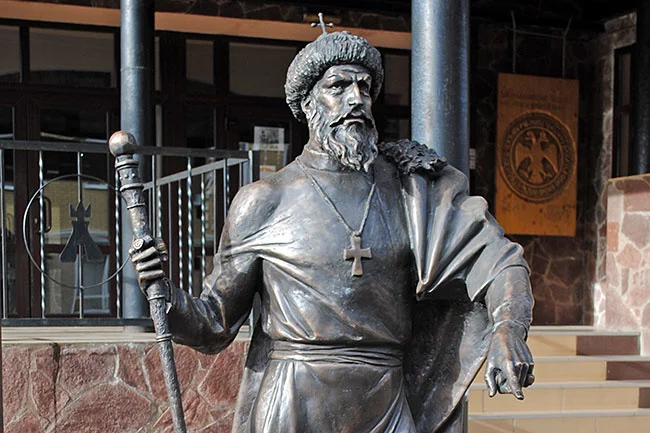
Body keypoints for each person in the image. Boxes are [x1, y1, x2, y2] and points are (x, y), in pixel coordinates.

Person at [130, 31, 534, 433]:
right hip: (294, 401)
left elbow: (500, 262)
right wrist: (162, 292)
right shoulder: (264, 200)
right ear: (308, 103)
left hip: (387, 401)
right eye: (338, 86)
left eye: (364, 86)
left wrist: (508, 328)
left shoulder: (412, 191)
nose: (356, 98)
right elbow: (213, 323)